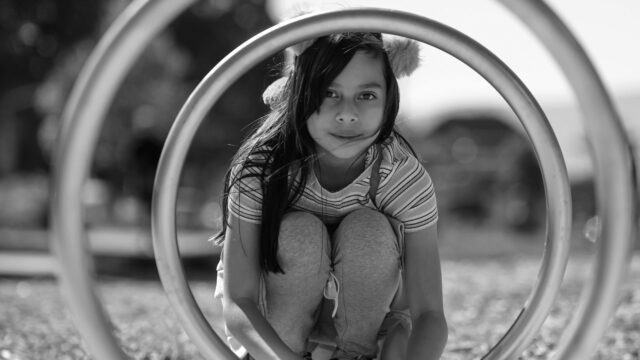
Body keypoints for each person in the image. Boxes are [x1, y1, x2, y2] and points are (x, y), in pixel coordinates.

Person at [211, 25, 447, 360]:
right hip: (276, 336)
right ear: (302, 95)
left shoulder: (401, 177)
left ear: (389, 101)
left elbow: (430, 314)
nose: (347, 114)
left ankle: (358, 354)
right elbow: (240, 300)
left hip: (366, 322)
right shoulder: (263, 169)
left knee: (369, 230)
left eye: (366, 95)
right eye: (328, 93)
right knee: (298, 233)